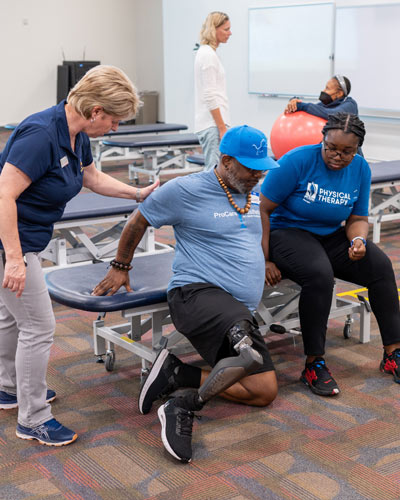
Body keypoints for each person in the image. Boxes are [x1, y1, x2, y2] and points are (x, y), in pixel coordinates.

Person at [93, 125, 279, 463]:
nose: (259, 174)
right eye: (252, 167)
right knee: (245, 350)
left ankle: (177, 373)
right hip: (195, 293)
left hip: (237, 308)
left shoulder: (250, 192)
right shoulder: (186, 189)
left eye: (263, 167)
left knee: (264, 391)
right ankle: (183, 406)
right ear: (226, 160)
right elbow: (139, 219)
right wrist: (120, 266)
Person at [0, 65, 159, 446]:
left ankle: (8, 388)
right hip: (11, 242)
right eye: (115, 120)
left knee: (10, 318)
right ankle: (33, 418)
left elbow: (90, 177)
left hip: (25, 239)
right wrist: (16, 259)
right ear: (95, 112)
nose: (116, 128)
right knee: (39, 328)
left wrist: (137, 193)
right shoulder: (40, 136)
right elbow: (3, 195)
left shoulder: (75, 134)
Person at [260, 112, 400, 397]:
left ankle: (393, 354)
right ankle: (314, 363)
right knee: (319, 274)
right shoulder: (296, 161)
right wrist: (263, 259)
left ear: (358, 148)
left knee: (381, 266)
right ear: (322, 140)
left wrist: (359, 240)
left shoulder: (360, 168)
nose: (337, 156)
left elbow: (358, 217)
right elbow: (262, 209)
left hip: (330, 235)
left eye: (347, 151)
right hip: (286, 232)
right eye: (331, 148)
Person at [194, 11, 232, 171]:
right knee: (213, 173)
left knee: (218, 172)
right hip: (212, 125)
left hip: (214, 124)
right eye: (226, 29)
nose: (230, 33)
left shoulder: (209, 53)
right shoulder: (208, 55)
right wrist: (222, 128)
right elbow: (210, 95)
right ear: (213, 29)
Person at [285, 75, 358, 119]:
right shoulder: (329, 103)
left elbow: (331, 114)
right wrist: (294, 101)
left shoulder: (350, 104)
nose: (323, 91)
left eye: (327, 88)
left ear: (339, 93)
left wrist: (302, 106)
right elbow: (314, 107)